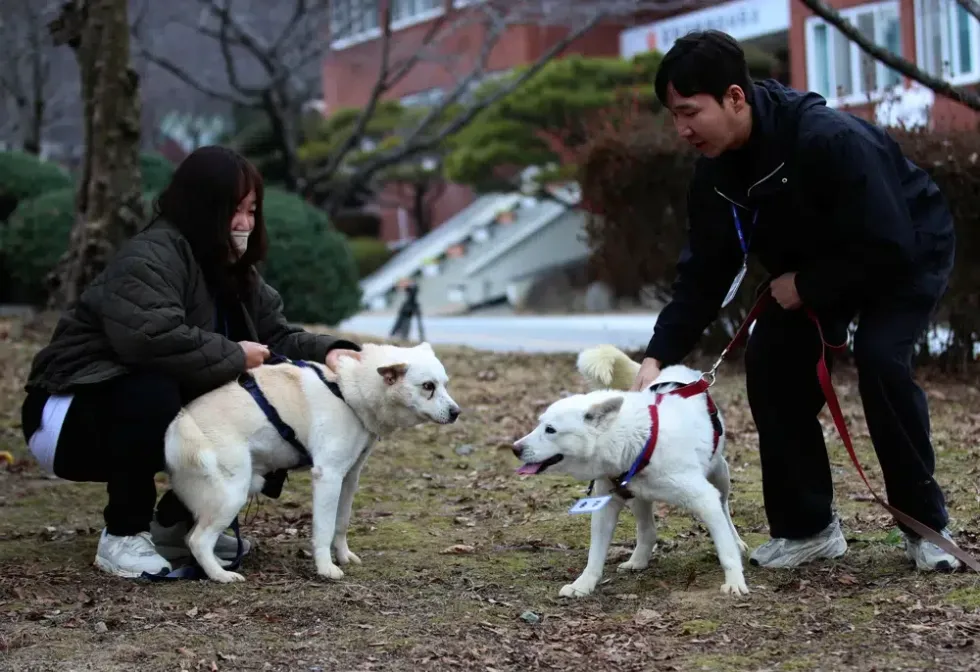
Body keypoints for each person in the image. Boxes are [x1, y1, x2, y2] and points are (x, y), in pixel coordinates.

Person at [633, 30, 962, 571]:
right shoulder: (714, 172)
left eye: (690, 111)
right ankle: (807, 528)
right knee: (771, 365)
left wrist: (808, 285)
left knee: (882, 361)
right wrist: (657, 355)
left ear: (735, 97)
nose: (682, 128)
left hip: (905, 248)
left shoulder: (827, 138)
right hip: (814, 268)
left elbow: (888, 242)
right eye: (673, 115)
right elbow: (705, 272)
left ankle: (926, 526)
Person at [19, 146, 363, 579]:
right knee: (156, 385)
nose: (244, 223)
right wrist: (236, 354)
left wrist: (330, 350)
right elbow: (148, 341)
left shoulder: (233, 270)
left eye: (252, 211)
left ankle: (178, 526)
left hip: (127, 410)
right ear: (201, 206)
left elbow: (275, 336)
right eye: (232, 210)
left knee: (259, 406)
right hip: (65, 416)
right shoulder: (150, 257)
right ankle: (123, 536)